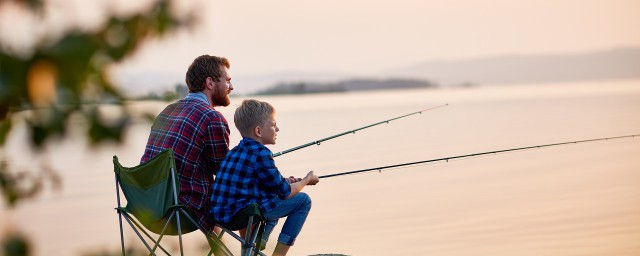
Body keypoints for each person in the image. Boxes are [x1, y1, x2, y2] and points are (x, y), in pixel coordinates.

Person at [210, 99, 319, 256]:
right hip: (243, 216)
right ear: (258, 131)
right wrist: (307, 180)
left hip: (221, 215)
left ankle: (259, 243)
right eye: (273, 125)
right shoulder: (261, 153)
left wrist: (285, 181)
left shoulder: (233, 152)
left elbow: (258, 182)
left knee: (272, 192)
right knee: (303, 201)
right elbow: (285, 192)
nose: (277, 129)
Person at [140, 54, 233, 235]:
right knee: (248, 198)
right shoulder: (212, 118)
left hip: (148, 207)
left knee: (209, 190)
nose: (231, 86)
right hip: (180, 212)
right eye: (227, 80)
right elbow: (225, 173)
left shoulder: (168, 110)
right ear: (210, 83)